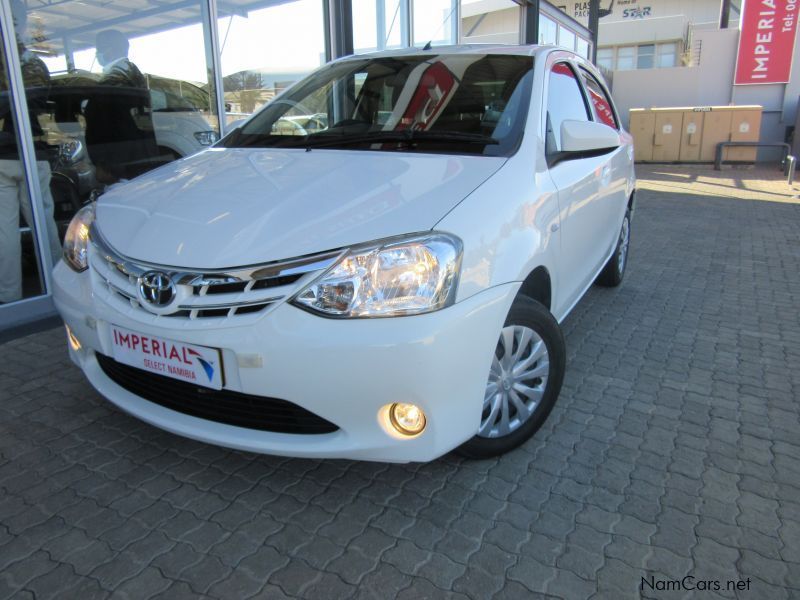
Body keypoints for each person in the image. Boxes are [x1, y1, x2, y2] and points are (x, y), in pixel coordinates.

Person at [0, 0, 62, 304]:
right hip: (32, 151)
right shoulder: (33, 64)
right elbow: (40, 107)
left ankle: (9, 297)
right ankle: (56, 283)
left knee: (4, 231)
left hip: (4, 155)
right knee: (43, 222)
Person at [84, 29, 158, 185]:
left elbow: (99, 125)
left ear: (110, 49)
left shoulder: (112, 80)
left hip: (118, 163)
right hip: (142, 156)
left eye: (99, 49)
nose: (97, 54)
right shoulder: (135, 75)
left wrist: (102, 163)